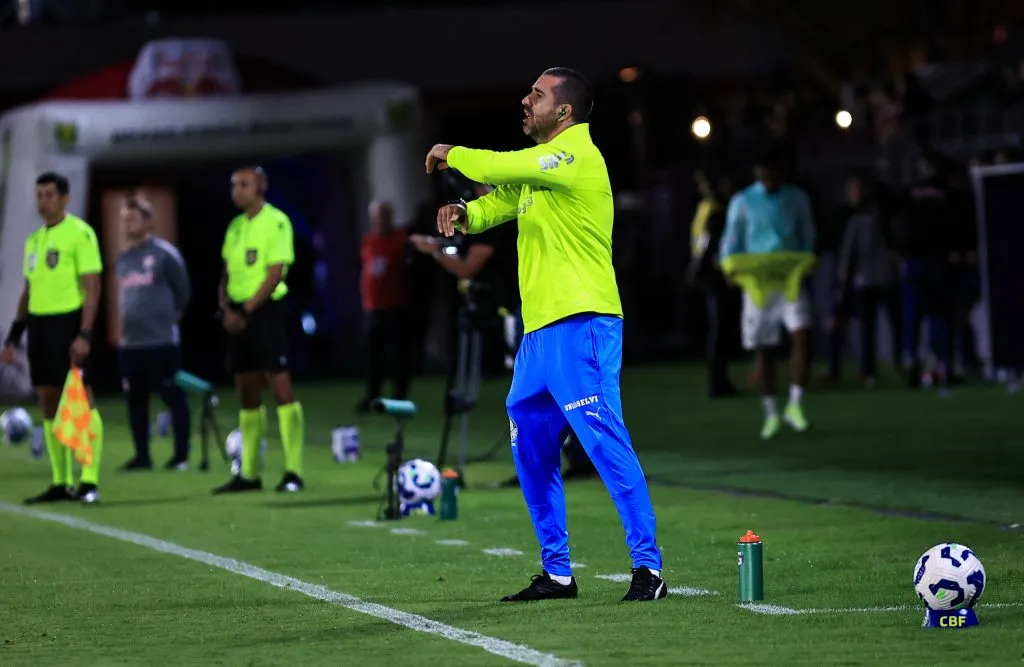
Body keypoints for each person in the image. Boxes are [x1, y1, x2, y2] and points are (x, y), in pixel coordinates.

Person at [425, 67, 666, 602]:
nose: (525, 100)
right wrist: (464, 212)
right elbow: (500, 201)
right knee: (532, 453)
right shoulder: (541, 172)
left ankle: (648, 569)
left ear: (564, 112)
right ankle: (557, 573)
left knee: (605, 444)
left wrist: (450, 150)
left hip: (583, 322)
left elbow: (498, 166)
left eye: (537, 95)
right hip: (538, 336)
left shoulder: (576, 156)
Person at [1, 172, 105, 504]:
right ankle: (61, 481)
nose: (43, 200)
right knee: (47, 401)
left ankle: (89, 480)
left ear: (64, 198)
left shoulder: (80, 233)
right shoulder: (34, 241)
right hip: (40, 328)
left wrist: (85, 333)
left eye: (49, 194)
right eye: (39, 194)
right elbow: (29, 291)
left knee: (82, 401)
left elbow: (92, 285)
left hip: (69, 325)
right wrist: (14, 336)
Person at [213, 166, 305, 494]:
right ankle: (248, 474)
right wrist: (225, 307)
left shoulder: (276, 221)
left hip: (266, 313)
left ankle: (293, 470)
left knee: (280, 386)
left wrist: (246, 310)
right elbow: (225, 272)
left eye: (243, 184)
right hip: (237, 314)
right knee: (246, 390)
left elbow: (276, 272)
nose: (236, 190)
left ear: (260, 187)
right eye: (233, 184)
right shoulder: (235, 227)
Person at [719, 150, 816, 440]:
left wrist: (806, 260)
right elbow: (732, 238)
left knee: (803, 334)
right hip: (758, 281)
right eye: (764, 174)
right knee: (764, 347)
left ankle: (795, 405)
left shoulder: (797, 197)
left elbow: (807, 232)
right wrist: (729, 266)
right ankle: (772, 412)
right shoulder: (744, 200)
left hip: (789, 278)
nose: (769, 180)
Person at [114, 197, 193, 471]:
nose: (128, 223)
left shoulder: (164, 254)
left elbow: (182, 290)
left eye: (134, 218)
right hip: (131, 342)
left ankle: (180, 456)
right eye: (125, 218)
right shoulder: (122, 258)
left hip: (161, 341)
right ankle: (142, 456)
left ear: (149, 221)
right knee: (135, 400)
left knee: (172, 395)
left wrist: (171, 316)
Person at [834, 171, 902, 386]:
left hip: (869, 279)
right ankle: (897, 364)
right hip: (882, 278)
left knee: (869, 327)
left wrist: (843, 281)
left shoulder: (861, 219)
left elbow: (848, 253)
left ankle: (869, 369)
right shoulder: (885, 218)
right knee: (888, 325)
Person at [687, 168, 739, 398]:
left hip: (704, 273)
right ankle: (717, 384)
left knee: (717, 328)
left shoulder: (704, 207)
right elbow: (708, 241)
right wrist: (698, 266)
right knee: (719, 330)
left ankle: (719, 381)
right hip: (713, 274)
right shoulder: (716, 208)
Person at [357, 200, 411, 411]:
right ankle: (372, 396)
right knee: (372, 354)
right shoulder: (369, 240)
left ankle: (399, 398)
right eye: (377, 216)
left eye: (383, 215)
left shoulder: (400, 239)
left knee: (398, 354)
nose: (380, 220)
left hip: (395, 305)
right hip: (373, 307)